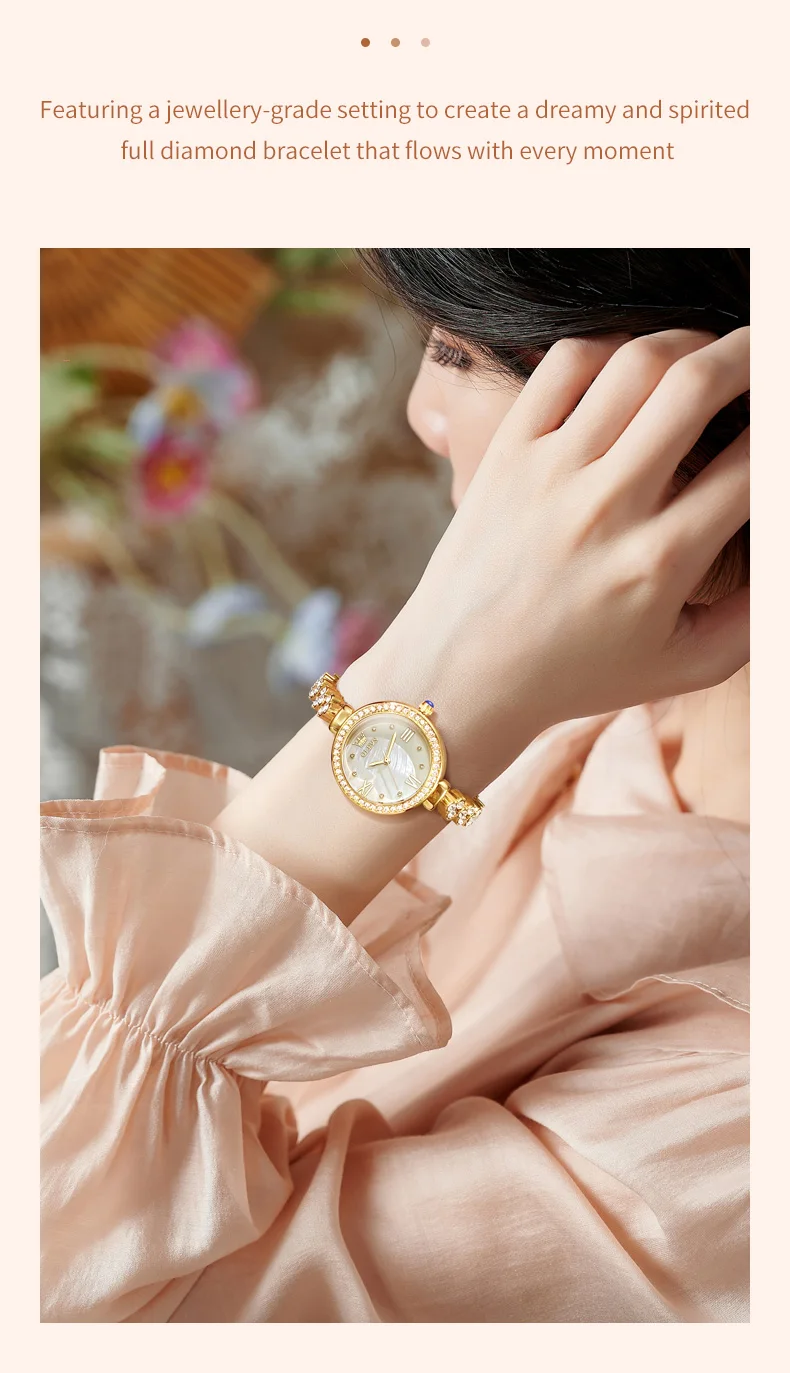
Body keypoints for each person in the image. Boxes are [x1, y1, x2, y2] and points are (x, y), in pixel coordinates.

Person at [40, 248, 750, 1323]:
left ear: (693, 399)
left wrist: (429, 690)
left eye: (458, 351)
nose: (422, 412)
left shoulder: (717, 1146)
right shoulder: (608, 654)